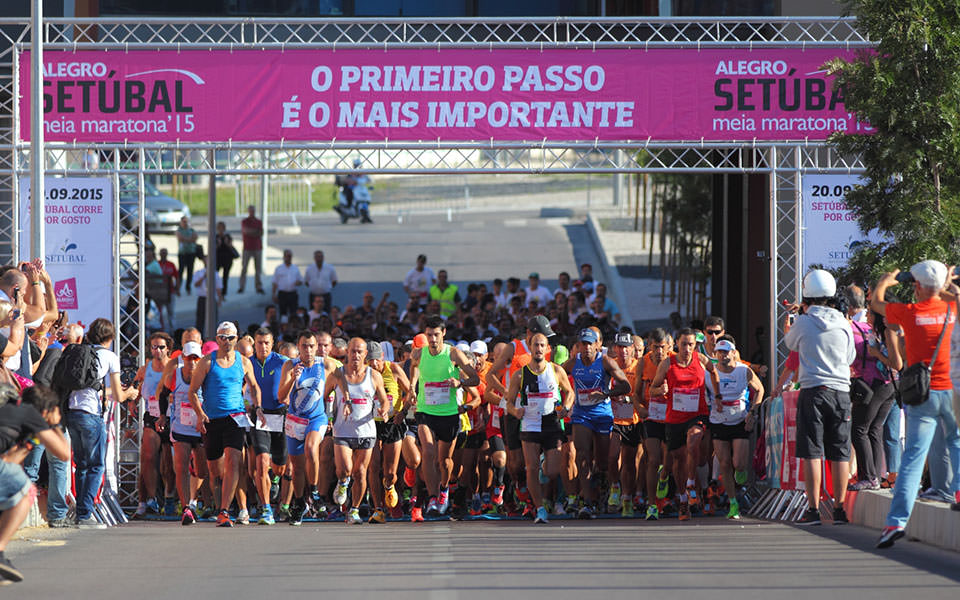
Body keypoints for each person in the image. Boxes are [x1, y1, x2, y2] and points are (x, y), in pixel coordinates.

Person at [872, 261, 960, 548]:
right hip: (951, 390)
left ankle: (895, 522)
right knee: (956, 443)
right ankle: (957, 494)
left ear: (918, 287)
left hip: (922, 394)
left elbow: (876, 303)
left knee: (912, 458)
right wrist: (946, 285)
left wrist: (886, 281)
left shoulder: (910, 313)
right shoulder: (951, 309)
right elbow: (954, 296)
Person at [784, 269, 856, 526]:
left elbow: (790, 343)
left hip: (813, 390)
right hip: (841, 392)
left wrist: (792, 318)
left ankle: (813, 509)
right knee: (840, 452)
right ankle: (839, 509)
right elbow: (850, 358)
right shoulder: (843, 322)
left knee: (812, 452)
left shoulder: (803, 322)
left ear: (807, 295)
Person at [403, 314, 479, 516]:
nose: (433, 339)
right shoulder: (418, 354)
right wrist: (412, 386)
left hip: (449, 413)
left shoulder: (454, 354)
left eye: (436, 335)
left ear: (443, 333)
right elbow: (414, 367)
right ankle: (433, 497)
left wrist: (460, 383)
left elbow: (475, 378)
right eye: (429, 335)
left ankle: (444, 488)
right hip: (425, 411)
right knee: (428, 452)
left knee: (444, 461)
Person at [188, 321, 262, 527]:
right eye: (222, 337)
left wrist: (258, 407)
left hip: (235, 418)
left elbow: (254, 386)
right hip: (212, 419)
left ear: (236, 339)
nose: (227, 341)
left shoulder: (244, 362)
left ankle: (224, 511)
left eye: (230, 337)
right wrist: (200, 413)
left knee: (234, 462)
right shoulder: (207, 362)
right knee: (215, 471)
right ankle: (219, 505)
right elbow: (192, 391)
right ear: (217, 339)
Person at [64, 318, 137, 528]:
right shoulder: (110, 356)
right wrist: (130, 392)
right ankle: (85, 514)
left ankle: (80, 512)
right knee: (96, 465)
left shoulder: (79, 352)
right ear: (111, 337)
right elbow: (119, 396)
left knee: (82, 465)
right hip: (91, 415)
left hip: (72, 411)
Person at [0, 384, 70, 583]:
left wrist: (30, 444)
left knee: (8, 492)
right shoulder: (32, 414)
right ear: (46, 412)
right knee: (26, 491)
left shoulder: (13, 411)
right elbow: (64, 453)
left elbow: (8, 462)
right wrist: (55, 425)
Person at [649, 327, 720, 522]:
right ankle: (682, 499)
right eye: (684, 344)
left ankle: (691, 483)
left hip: (697, 414)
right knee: (678, 460)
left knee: (694, 440)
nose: (688, 348)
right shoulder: (667, 364)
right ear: (676, 345)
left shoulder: (701, 360)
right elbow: (653, 389)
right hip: (674, 419)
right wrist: (660, 389)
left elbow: (715, 373)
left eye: (691, 344)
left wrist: (718, 395)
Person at [504, 333, 575, 524]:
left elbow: (569, 392)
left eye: (542, 345)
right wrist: (515, 411)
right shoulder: (520, 374)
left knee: (552, 471)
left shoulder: (556, 370)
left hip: (552, 424)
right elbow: (508, 402)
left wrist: (566, 408)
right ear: (530, 346)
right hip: (530, 424)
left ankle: (545, 461)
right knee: (531, 468)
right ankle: (540, 509)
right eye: (535, 345)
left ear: (547, 348)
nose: (539, 349)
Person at [277, 330, 346, 526]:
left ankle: (314, 492)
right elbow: (281, 397)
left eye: (311, 346)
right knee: (297, 468)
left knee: (311, 449)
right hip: (294, 420)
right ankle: (300, 503)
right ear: (298, 348)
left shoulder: (325, 364)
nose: (308, 350)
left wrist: (347, 401)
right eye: (304, 346)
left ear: (317, 348)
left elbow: (341, 380)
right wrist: (292, 379)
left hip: (317, 418)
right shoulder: (290, 365)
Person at [563, 327, 631, 518]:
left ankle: (602, 487)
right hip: (581, 414)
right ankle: (587, 503)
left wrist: (606, 394)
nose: (586, 348)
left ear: (598, 345)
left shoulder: (606, 362)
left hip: (602, 415)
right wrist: (564, 400)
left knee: (602, 461)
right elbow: (556, 375)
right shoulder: (572, 363)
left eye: (590, 344)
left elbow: (626, 385)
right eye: (583, 344)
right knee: (582, 455)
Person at [331, 338, 390, 524]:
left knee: (361, 472)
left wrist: (384, 409)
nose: (356, 355)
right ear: (347, 352)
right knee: (346, 470)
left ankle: (354, 510)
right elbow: (324, 395)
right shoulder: (337, 374)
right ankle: (342, 483)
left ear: (365, 354)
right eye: (353, 351)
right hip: (342, 430)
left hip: (366, 431)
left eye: (360, 352)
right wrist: (328, 416)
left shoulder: (374, 375)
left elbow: (384, 398)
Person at [707, 337, 763, 520]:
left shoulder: (743, 370)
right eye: (719, 352)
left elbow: (760, 390)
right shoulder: (711, 373)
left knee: (738, 463)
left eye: (726, 351)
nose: (723, 355)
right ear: (715, 354)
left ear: (733, 352)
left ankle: (740, 472)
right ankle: (733, 503)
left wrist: (752, 412)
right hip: (718, 421)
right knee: (724, 464)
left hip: (739, 419)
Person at [847, 308, 900, 491]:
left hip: (875, 383)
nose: (866, 315)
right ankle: (874, 477)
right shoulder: (876, 330)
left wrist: (875, 353)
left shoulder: (879, 333)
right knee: (874, 429)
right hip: (891, 384)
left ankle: (869, 477)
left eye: (869, 313)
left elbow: (892, 360)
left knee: (859, 429)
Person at [366, 340, 411, 523]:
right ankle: (378, 508)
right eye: (369, 361)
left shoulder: (394, 369)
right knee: (373, 466)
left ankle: (389, 486)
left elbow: (411, 393)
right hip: (371, 424)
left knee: (390, 472)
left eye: (376, 360)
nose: (373, 364)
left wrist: (403, 412)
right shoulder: (363, 374)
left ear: (382, 357)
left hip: (393, 422)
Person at [131, 332, 174, 519]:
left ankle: (170, 499)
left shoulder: (174, 367)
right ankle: (147, 500)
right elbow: (135, 386)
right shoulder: (145, 368)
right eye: (154, 347)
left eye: (161, 347)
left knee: (170, 464)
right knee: (147, 457)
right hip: (152, 415)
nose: (157, 350)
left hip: (174, 417)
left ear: (168, 349)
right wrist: (133, 401)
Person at [162, 341, 205, 525]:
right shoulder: (174, 375)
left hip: (200, 428)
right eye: (189, 358)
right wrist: (162, 417)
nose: (193, 362)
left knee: (202, 470)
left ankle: (194, 501)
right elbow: (163, 393)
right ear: (183, 359)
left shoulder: (205, 376)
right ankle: (186, 507)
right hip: (180, 428)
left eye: (196, 358)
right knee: (180, 467)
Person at [248, 328, 288, 525]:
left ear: (272, 344)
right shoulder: (247, 362)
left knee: (279, 467)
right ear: (254, 344)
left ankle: (275, 480)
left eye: (266, 343)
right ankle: (265, 509)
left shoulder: (283, 361)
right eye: (259, 343)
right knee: (262, 462)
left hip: (280, 415)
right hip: (259, 415)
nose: (262, 347)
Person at [639, 328, 674, 520]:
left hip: (671, 416)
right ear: (649, 346)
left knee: (668, 460)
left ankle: (664, 477)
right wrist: (639, 408)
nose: (659, 352)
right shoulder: (643, 362)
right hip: (652, 416)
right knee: (652, 460)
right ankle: (652, 504)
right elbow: (635, 392)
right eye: (655, 348)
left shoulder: (676, 360)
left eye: (662, 348)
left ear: (669, 347)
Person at [607, 332, 644, 517]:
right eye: (619, 347)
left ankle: (627, 498)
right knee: (612, 456)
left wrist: (629, 398)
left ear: (632, 349)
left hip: (633, 418)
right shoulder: (610, 365)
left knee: (629, 462)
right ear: (615, 349)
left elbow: (642, 394)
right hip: (613, 418)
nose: (623, 351)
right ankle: (615, 487)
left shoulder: (638, 367)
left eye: (626, 347)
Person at [192, 250, 223, 336]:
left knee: (213, 320)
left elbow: (218, 287)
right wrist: (204, 276)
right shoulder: (198, 273)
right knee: (200, 320)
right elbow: (196, 284)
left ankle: (213, 337)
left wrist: (220, 299)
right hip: (202, 298)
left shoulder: (215, 274)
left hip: (212, 299)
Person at [238, 205, 264, 295]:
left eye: (253, 211)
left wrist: (252, 232)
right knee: (244, 268)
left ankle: (258, 286)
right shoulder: (244, 221)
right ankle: (241, 286)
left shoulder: (258, 222)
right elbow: (246, 231)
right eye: (250, 211)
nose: (251, 213)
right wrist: (254, 232)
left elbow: (260, 232)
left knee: (258, 269)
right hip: (247, 248)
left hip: (257, 247)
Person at [272, 249, 302, 319]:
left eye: (290, 256)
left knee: (294, 313)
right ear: (284, 257)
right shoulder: (279, 268)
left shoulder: (295, 268)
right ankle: (283, 328)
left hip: (292, 294)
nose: (289, 258)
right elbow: (275, 282)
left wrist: (298, 282)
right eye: (287, 256)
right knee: (283, 314)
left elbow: (300, 280)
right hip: (283, 294)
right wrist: (274, 294)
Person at [157, 248, 180, 329]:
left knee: (171, 312)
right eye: (162, 253)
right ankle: (161, 328)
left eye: (165, 253)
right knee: (159, 312)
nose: (163, 255)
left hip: (170, 292)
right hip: (159, 292)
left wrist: (177, 288)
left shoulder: (171, 264)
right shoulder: (157, 264)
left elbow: (176, 277)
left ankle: (172, 329)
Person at [176, 216, 198, 294]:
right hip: (182, 253)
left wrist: (186, 239)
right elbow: (180, 238)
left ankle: (188, 287)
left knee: (190, 270)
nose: (185, 223)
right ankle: (178, 287)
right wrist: (190, 240)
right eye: (184, 222)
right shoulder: (179, 230)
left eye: (186, 221)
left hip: (191, 253)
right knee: (181, 270)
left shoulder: (192, 230)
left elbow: (195, 238)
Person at [215, 221, 237, 298]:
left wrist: (227, 243)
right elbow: (213, 249)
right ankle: (216, 291)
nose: (220, 230)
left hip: (227, 259)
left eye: (222, 228)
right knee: (216, 276)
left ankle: (223, 293)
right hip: (218, 259)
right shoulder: (215, 237)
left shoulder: (227, 237)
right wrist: (218, 244)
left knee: (225, 277)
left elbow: (230, 246)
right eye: (219, 228)